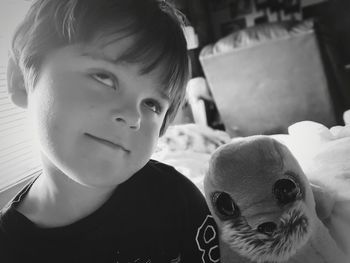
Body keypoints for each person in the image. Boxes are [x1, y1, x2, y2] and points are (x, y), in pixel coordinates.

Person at [0, 0, 221, 262]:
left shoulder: (177, 200)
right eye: (104, 77)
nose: (132, 116)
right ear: (20, 80)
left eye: (151, 104)